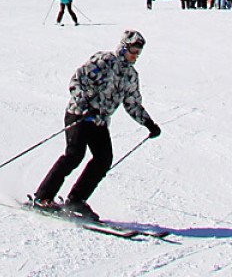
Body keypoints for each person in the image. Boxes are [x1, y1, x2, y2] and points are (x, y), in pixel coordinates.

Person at [30, 30, 162, 221]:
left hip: (99, 121)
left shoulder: (130, 75)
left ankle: (76, 200)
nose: (135, 56)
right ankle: (43, 197)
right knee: (74, 155)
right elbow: (77, 81)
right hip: (79, 114)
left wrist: (148, 123)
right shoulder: (104, 61)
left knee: (104, 159)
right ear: (124, 47)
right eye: (133, 50)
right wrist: (84, 106)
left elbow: (132, 103)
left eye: (138, 53)